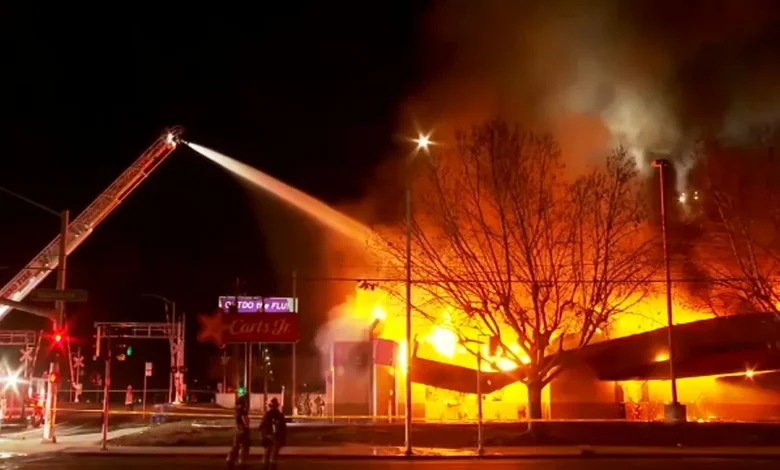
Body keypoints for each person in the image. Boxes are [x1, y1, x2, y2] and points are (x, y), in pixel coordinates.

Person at [259, 397, 286, 469]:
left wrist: (263, 435)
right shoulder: (280, 415)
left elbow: (261, 426)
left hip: (268, 435)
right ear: (277, 406)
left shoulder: (267, 414)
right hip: (276, 436)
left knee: (267, 451)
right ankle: (272, 466)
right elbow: (283, 427)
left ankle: (264, 465)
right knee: (274, 453)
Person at [227, 393, 250, 469]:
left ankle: (230, 459)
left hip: (238, 430)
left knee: (236, 445)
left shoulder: (237, 411)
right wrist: (246, 426)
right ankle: (241, 461)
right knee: (244, 446)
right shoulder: (242, 411)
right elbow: (245, 422)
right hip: (242, 431)